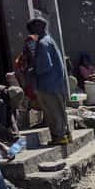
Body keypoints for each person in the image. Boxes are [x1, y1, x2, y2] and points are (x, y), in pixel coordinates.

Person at [27, 18, 70, 146]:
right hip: (56, 83)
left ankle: (59, 137)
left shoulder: (42, 43)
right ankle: (65, 134)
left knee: (52, 112)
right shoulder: (49, 40)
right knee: (60, 110)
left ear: (38, 26)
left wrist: (32, 71)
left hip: (47, 84)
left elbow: (45, 65)